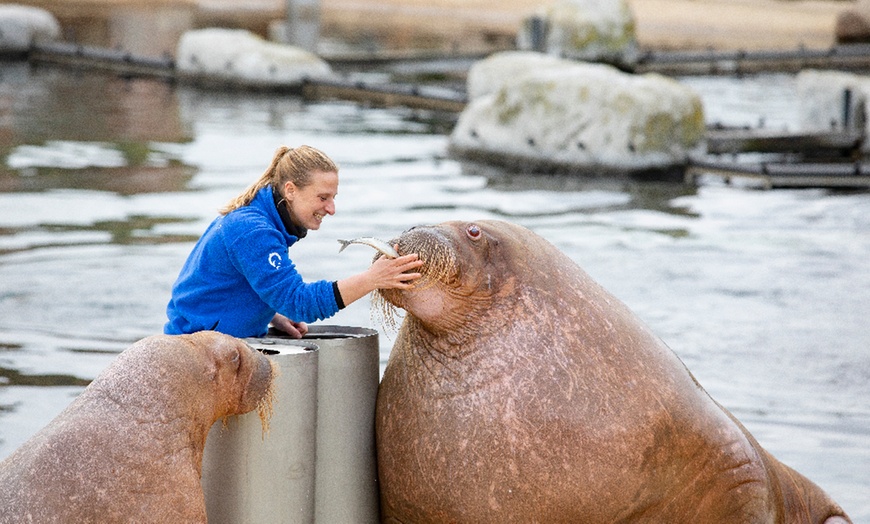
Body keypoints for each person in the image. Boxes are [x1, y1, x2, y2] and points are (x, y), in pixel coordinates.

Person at [164, 145, 422, 339]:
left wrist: (270, 312)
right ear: (290, 190)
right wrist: (372, 279)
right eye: (323, 197)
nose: (331, 208)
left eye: (333, 197)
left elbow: (229, 284)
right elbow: (301, 303)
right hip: (194, 349)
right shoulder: (253, 231)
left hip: (213, 338)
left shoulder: (258, 217)